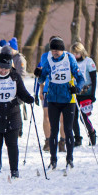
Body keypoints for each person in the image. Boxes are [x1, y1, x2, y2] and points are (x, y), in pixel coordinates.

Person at [34, 37, 85, 169]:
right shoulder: (49, 60)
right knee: (53, 130)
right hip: (53, 100)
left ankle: (69, 159)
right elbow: (41, 79)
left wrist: (77, 88)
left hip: (68, 100)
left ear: (62, 50)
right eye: (53, 50)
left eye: (57, 50)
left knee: (68, 130)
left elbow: (81, 79)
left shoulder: (69, 60)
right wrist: (38, 74)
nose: (55, 53)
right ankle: (53, 160)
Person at [0, 51, 35, 178]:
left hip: (12, 115)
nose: (3, 71)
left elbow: (22, 92)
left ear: (10, 67)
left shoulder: (15, 77)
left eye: (6, 68)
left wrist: (29, 98)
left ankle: (14, 170)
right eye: (0, 67)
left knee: (12, 144)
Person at [70, 41, 98, 146]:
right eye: (73, 53)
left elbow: (94, 78)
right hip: (75, 92)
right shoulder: (72, 62)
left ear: (81, 52)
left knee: (84, 116)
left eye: (77, 53)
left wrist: (93, 94)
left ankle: (92, 133)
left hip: (86, 92)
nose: (75, 55)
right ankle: (77, 138)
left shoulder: (88, 61)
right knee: (73, 116)